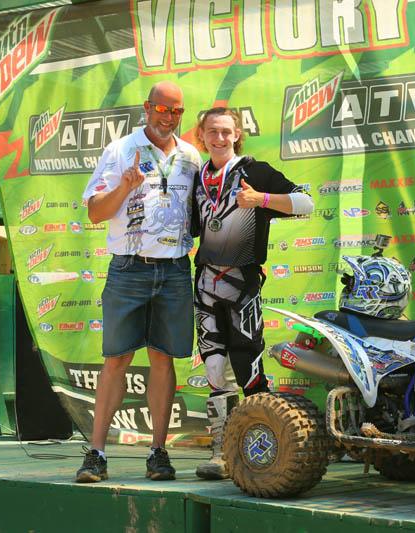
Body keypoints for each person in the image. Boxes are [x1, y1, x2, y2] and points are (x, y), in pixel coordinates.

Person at [76, 81, 201, 483]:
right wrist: (125, 186)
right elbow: (96, 212)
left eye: (177, 111)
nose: (169, 117)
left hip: (175, 269)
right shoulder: (120, 150)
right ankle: (96, 454)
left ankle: (158, 453)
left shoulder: (191, 156)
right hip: (129, 268)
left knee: (163, 359)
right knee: (117, 360)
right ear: (147, 108)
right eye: (163, 109)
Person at [191, 107, 313, 479]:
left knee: (249, 369)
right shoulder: (198, 178)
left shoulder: (254, 171)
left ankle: (268, 451)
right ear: (202, 135)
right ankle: (222, 453)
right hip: (205, 285)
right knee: (214, 369)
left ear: (237, 135)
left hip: (242, 285)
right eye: (212, 131)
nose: (219, 138)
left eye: (226, 131)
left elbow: (306, 203)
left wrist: (261, 200)